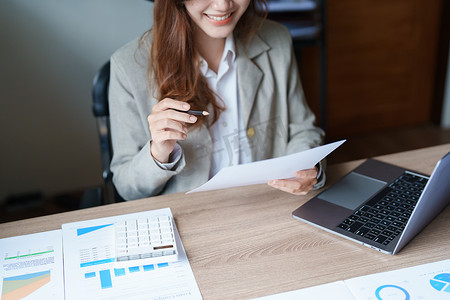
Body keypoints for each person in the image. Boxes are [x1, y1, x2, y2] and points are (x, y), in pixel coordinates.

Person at [109, 0, 325, 201]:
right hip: (191, 219)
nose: (223, 5)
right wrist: (158, 152)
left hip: (270, 206)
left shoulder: (277, 39)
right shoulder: (127, 66)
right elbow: (127, 189)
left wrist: (306, 167)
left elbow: (303, 130)